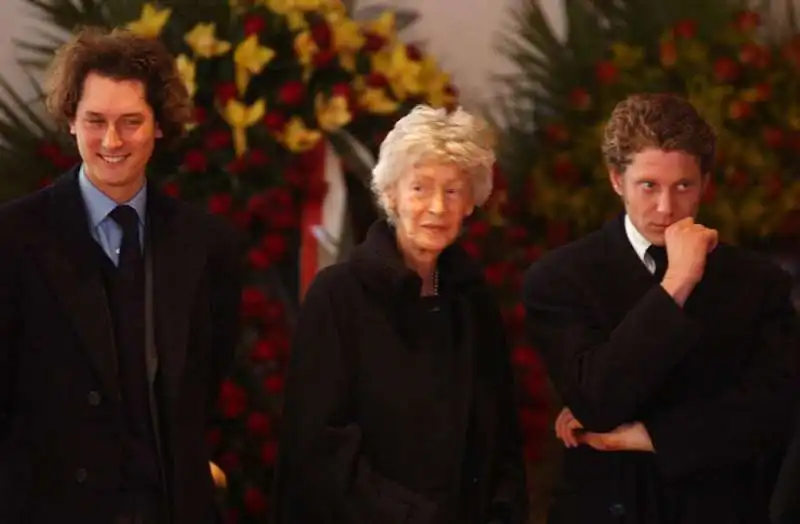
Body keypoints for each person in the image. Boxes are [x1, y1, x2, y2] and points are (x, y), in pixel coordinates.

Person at [0, 28, 242, 524]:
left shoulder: (206, 244)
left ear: (158, 125)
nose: (112, 141)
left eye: (131, 121)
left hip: (170, 507)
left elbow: (209, 377)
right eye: (95, 121)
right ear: (71, 120)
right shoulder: (12, 238)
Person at [522, 93, 798, 524]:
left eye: (683, 186)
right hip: (607, 507)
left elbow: (774, 411)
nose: (666, 208)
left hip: (719, 509)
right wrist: (677, 283)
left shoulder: (759, 281)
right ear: (617, 180)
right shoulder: (559, 278)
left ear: (705, 183)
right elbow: (598, 401)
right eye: (648, 186)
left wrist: (650, 435)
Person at [274, 105, 529, 524]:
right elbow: (320, 448)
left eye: (453, 191)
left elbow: (501, 440)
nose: (437, 207)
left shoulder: (473, 300)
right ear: (390, 194)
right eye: (420, 188)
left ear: (470, 203)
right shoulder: (338, 296)